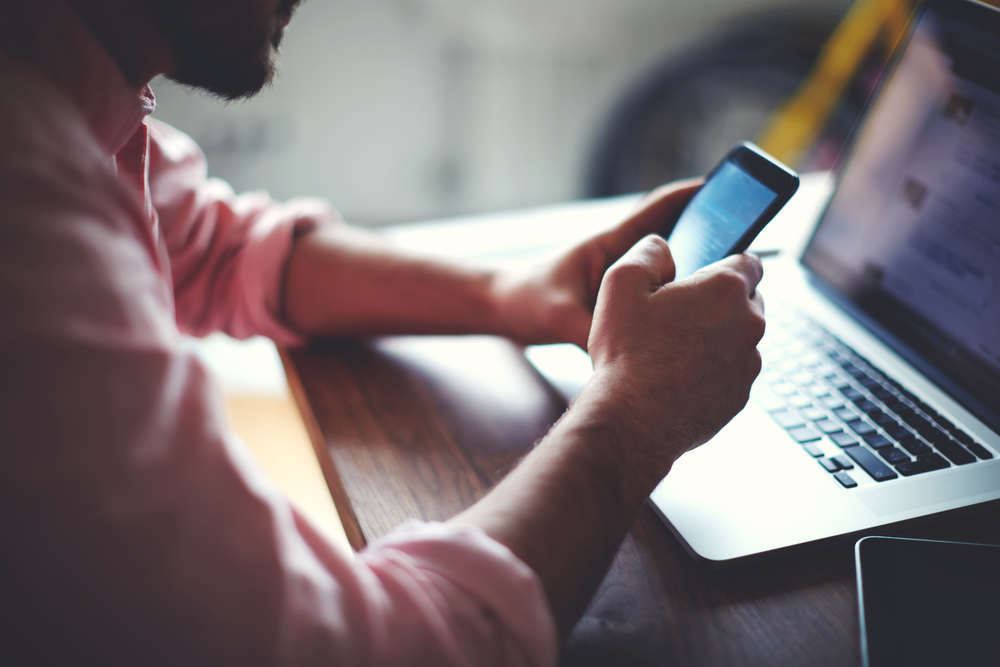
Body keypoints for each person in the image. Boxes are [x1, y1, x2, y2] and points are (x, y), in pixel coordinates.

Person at [0, 0, 765, 664]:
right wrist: (634, 416)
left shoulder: (56, 82)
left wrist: (513, 292)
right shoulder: (25, 187)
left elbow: (211, 245)